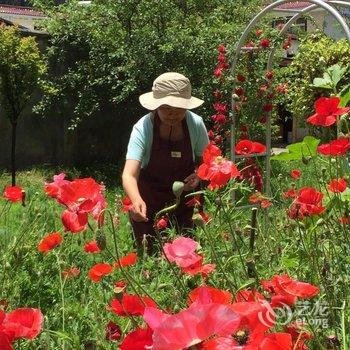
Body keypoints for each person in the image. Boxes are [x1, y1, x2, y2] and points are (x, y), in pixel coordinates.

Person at [122, 72, 209, 250]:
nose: (173, 113)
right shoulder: (143, 128)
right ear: (156, 106)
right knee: (150, 254)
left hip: (186, 200)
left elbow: (207, 163)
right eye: (166, 107)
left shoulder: (196, 124)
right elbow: (129, 174)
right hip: (150, 201)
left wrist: (199, 176)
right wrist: (136, 200)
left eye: (179, 108)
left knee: (188, 255)